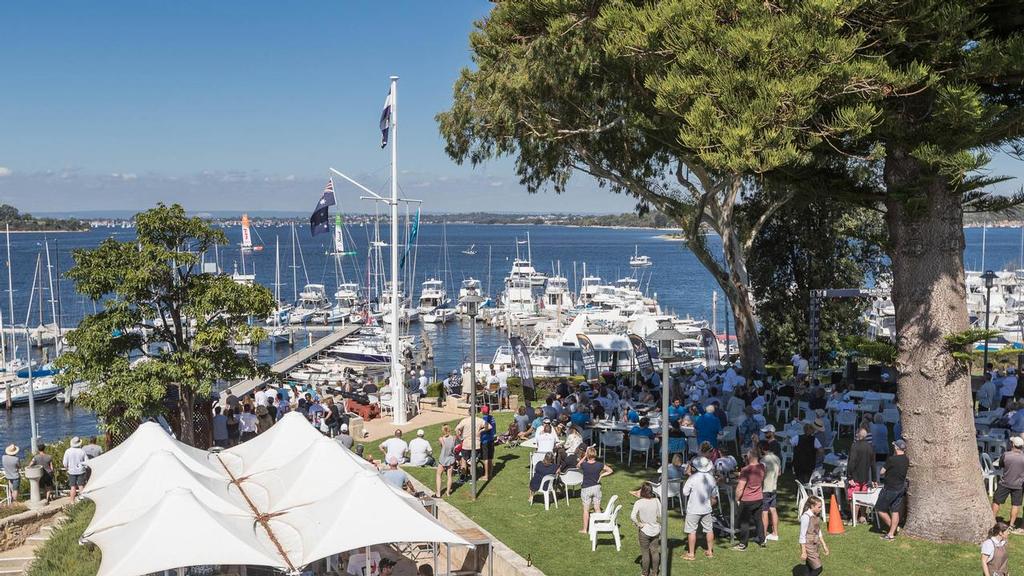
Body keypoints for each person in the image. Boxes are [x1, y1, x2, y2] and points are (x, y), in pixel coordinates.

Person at [682, 456, 718, 560]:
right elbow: (714, 494)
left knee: (691, 531)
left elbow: (685, 492)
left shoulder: (692, 478)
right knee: (709, 529)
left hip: (693, 508)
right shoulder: (711, 478)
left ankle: (691, 554)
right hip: (706, 508)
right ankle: (710, 551)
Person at [734, 447, 766, 550]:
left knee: (744, 522)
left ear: (749, 456)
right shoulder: (762, 467)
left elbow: (740, 487)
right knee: (758, 520)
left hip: (747, 499)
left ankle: (743, 544)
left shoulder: (746, 470)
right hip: (759, 498)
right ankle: (762, 541)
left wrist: (737, 499)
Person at [877, 439, 909, 540]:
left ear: (896, 448)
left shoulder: (892, 459)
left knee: (880, 509)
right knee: (895, 511)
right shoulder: (906, 459)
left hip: (890, 488)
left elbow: (881, 472)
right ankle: (891, 534)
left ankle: (893, 529)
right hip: (900, 488)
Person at [579, 446, 613, 533]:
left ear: (588, 455)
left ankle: (585, 529)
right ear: (595, 455)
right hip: (596, 487)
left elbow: (578, 465)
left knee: (586, 510)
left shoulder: (584, 465)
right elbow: (610, 470)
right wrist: (601, 475)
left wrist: (584, 457)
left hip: (586, 488)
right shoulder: (599, 465)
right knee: (597, 508)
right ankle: (598, 527)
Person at [631, 482, 662, 576]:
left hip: (644, 530)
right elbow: (660, 514)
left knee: (645, 553)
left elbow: (632, 516)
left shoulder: (639, 502)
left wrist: (639, 524)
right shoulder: (656, 500)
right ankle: (655, 573)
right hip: (656, 529)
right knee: (655, 551)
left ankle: (645, 573)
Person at [993, 435, 1024, 530]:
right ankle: (1011, 525)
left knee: (996, 501)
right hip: (1018, 485)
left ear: (1013, 445)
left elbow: (1000, 464)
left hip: (1005, 483)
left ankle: (992, 520)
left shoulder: (1006, 455)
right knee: (1016, 505)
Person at [847, 427, 875, 522]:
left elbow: (852, 462)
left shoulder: (855, 446)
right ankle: (863, 516)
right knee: (863, 496)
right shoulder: (870, 446)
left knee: (853, 497)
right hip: (865, 477)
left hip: (855, 476)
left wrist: (849, 476)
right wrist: (874, 479)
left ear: (858, 434)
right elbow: (873, 464)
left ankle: (854, 518)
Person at [798, 496, 829, 576]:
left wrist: (824, 545)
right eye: (819, 507)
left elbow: (818, 531)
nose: (821, 508)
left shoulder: (816, 515)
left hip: (815, 544)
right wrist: (803, 552)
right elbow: (802, 535)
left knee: (809, 566)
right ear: (812, 506)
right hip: (808, 545)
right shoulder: (806, 517)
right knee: (818, 568)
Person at [455, 407, 487, 478]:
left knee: (463, 460)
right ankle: (472, 478)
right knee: (473, 462)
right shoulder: (480, 420)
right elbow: (489, 426)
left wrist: (460, 437)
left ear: (469, 412)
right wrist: (481, 431)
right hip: (476, 445)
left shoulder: (464, 421)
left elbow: (456, 429)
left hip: (466, 445)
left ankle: (463, 477)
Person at [759, 441, 781, 542]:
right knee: (773, 509)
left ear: (762, 449)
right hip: (774, 487)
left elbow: (761, 475)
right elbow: (779, 473)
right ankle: (775, 533)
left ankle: (763, 536)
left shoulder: (763, 460)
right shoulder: (777, 458)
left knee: (764, 512)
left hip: (765, 488)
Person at [63, 436, 89, 503]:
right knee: (81, 486)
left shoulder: (68, 451)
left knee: (73, 487)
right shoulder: (82, 451)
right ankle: (83, 501)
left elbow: (65, 463)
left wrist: (67, 468)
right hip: (81, 471)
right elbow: (87, 462)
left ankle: (72, 501)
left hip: (71, 471)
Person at [436, 425, 457, 498]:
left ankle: (438, 493)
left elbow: (442, 447)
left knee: (439, 475)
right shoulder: (454, 438)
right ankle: (448, 492)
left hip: (443, 459)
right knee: (449, 476)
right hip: (451, 458)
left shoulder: (441, 439)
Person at [480, 405, 496, 481]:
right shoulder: (492, 418)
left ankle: (486, 476)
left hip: (485, 440)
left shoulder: (484, 419)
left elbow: (486, 428)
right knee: (490, 458)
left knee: (485, 458)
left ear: (483, 411)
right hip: (491, 439)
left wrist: (480, 431)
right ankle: (490, 473)